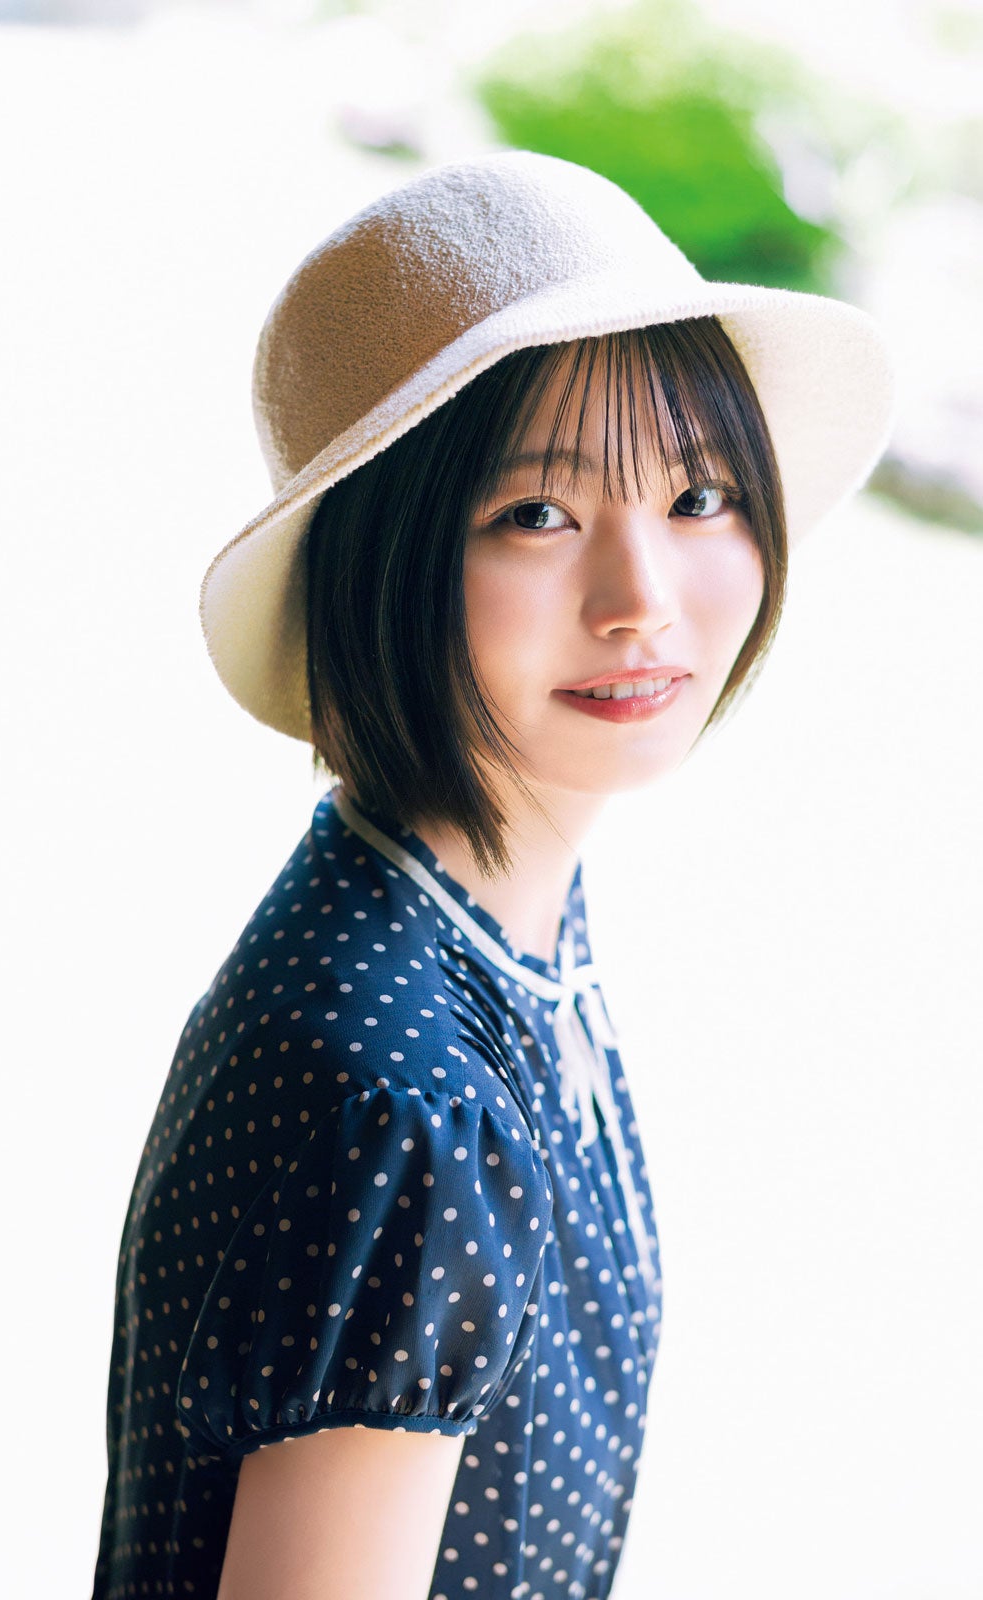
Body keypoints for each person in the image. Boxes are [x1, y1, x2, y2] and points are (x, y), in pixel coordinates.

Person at [91, 151, 893, 1600]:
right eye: (536, 514)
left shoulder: (483, 922)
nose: (642, 601)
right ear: (380, 562)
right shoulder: (407, 1100)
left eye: (700, 494)